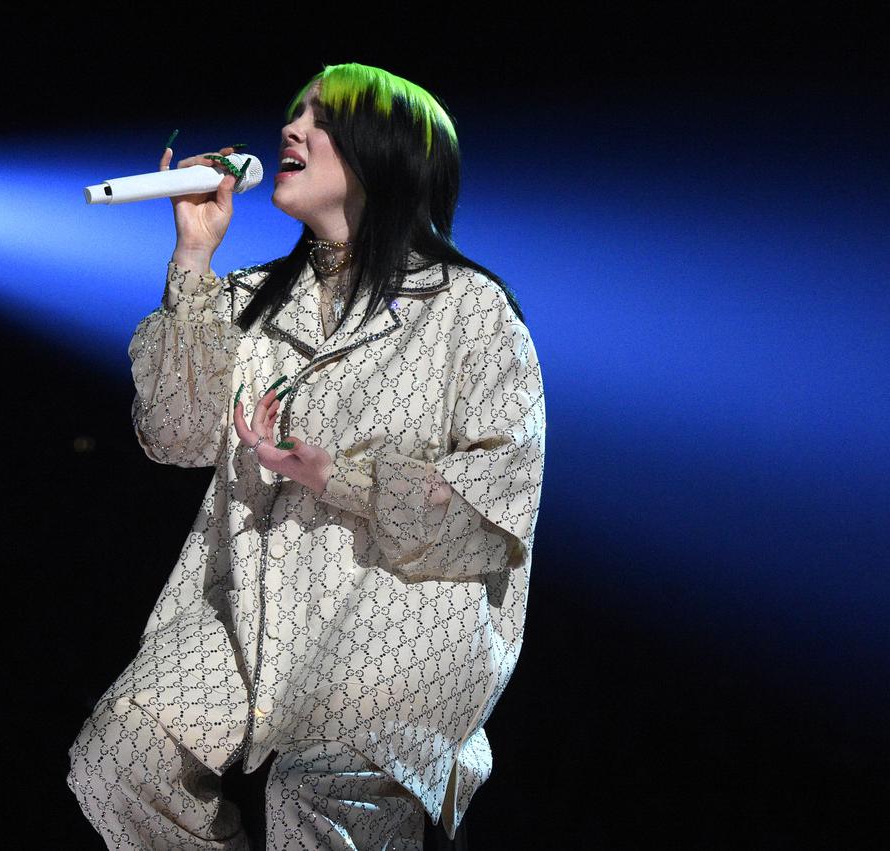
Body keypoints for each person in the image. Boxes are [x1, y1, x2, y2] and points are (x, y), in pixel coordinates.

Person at [67, 62, 546, 850]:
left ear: (386, 151)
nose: (291, 127)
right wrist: (193, 256)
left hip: (400, 615)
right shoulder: (253, 300)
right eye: (294, 113)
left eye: (321, 118)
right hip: (256, 601)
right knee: (123, 753)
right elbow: (176, 435)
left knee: (315, 790)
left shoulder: (471, 310)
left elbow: (492, 506)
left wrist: (334, 475)